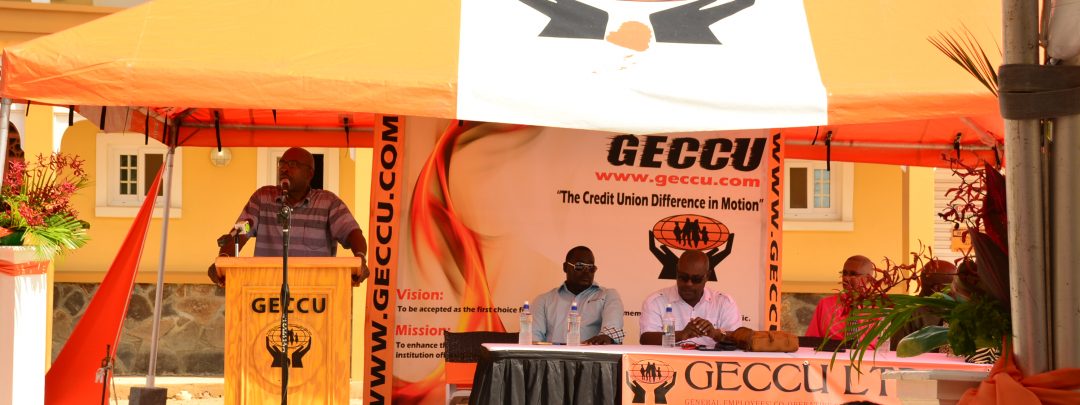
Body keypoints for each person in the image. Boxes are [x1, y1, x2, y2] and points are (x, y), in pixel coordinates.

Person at [207, 147, 370, 287]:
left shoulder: (328, 203)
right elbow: (242, 230)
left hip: (315, 291)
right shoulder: (263, 198)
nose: (284, 169)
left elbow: (352, 233)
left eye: (292, 164)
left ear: (310, 173)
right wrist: (223, 259)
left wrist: (360, 258)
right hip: (266, 289)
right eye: (282, 163)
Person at [640, 250, 740, 346]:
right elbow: (646, 339)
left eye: (696, 279)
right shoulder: (656, 302)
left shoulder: (724, 302)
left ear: (707, 276)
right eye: (683, 277)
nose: (689, 284)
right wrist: (681, 335)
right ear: (676, 272)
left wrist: (715, 334)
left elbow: (738, 339)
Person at [531, 246, 625, 344]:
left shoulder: (608, 296)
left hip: (592, 353)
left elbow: (611, 330)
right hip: (552, 354)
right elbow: (533, 338)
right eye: (579, 266)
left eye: (591, 267)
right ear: (565, 267)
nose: (586, 272)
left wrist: (605, 338)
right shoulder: (543, 301)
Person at [805, 255, 875, 340]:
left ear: (868, 279)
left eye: (853, 274)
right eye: (844, 273)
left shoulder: (878, 309)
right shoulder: (825, 304)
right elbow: (810, 340)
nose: (846, 278)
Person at [891, 260, 957, 349]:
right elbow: (898, 352)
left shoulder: (957, 310)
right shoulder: (907, 313)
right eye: (955, 284)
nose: (958, 288)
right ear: (938, 288)